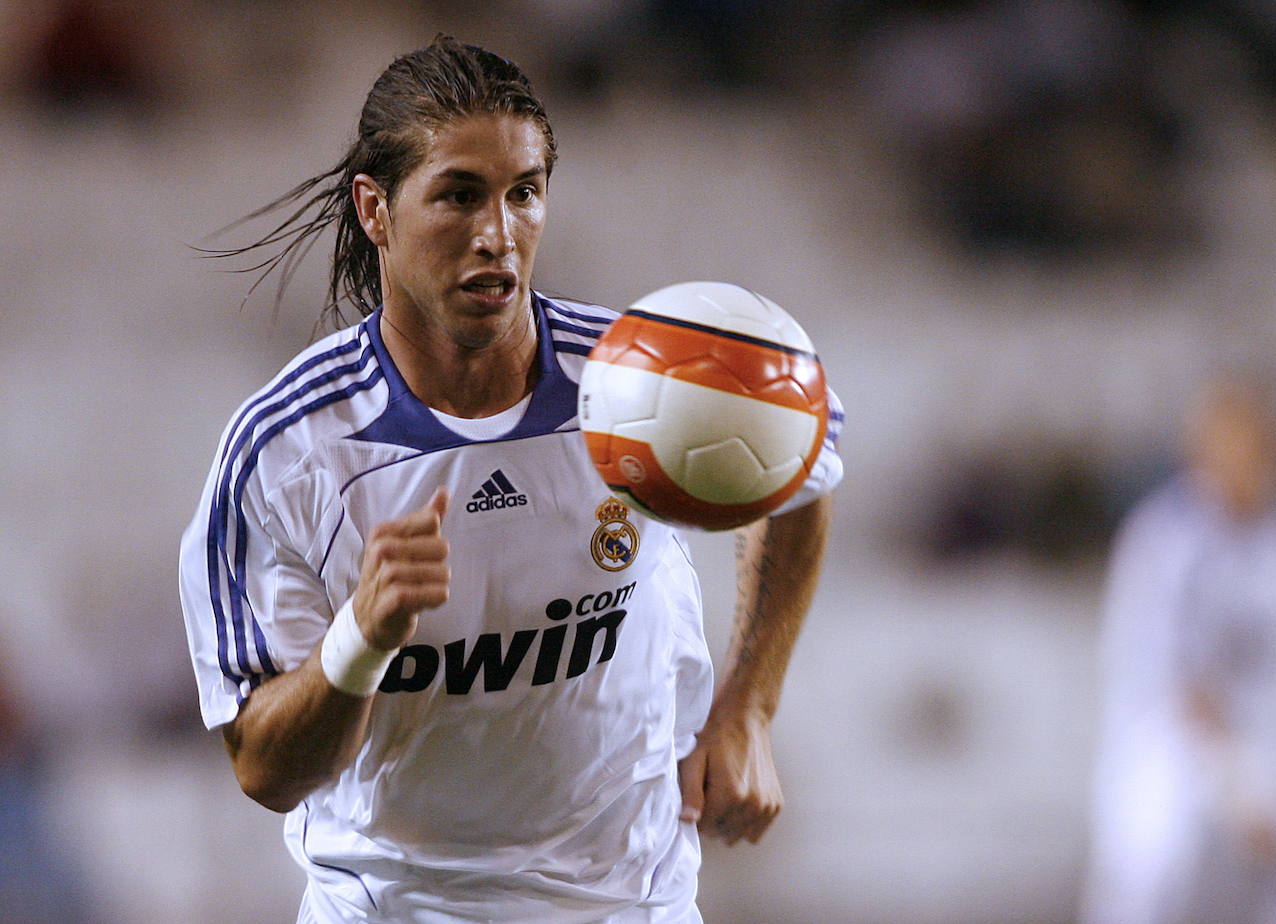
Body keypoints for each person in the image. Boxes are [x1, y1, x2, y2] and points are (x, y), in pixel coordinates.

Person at [178, 37, 842, 923]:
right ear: (375, 210)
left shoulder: (636, 380)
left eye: (524, 193)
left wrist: (749, 704)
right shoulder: (290, 451)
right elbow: (266, 771)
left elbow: (803, 460)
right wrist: (361, 638)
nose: (498, 234)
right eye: (459, 195)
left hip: (631, 907)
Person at [1080, 378, 1276, 924]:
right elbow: (1179, 684)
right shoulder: (1165, 539)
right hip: (1168, 746)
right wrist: (1244, 790)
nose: (1251, 464)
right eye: (1237, 447)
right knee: (1152, 871)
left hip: (1271, 738)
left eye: (1262, 447)